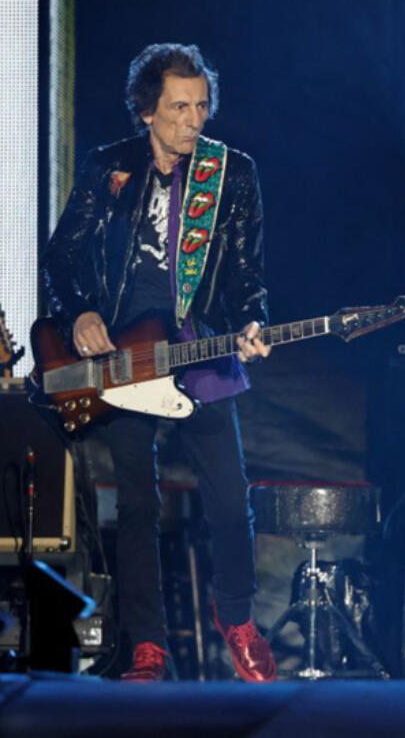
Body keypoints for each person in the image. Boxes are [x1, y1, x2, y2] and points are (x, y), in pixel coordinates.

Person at [42, 43, 276, 682]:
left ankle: (236, 616)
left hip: (199, 345)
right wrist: (82, 312)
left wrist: (252, 317)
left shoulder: (233, 174)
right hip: (123, 354)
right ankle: (145, 641)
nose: (193, 121)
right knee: (138, 505)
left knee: (231, 501)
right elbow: (61, 260)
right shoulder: (107, 167)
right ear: (147, 110)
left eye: (201, 106)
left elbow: (249, 272)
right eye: (178, 108)